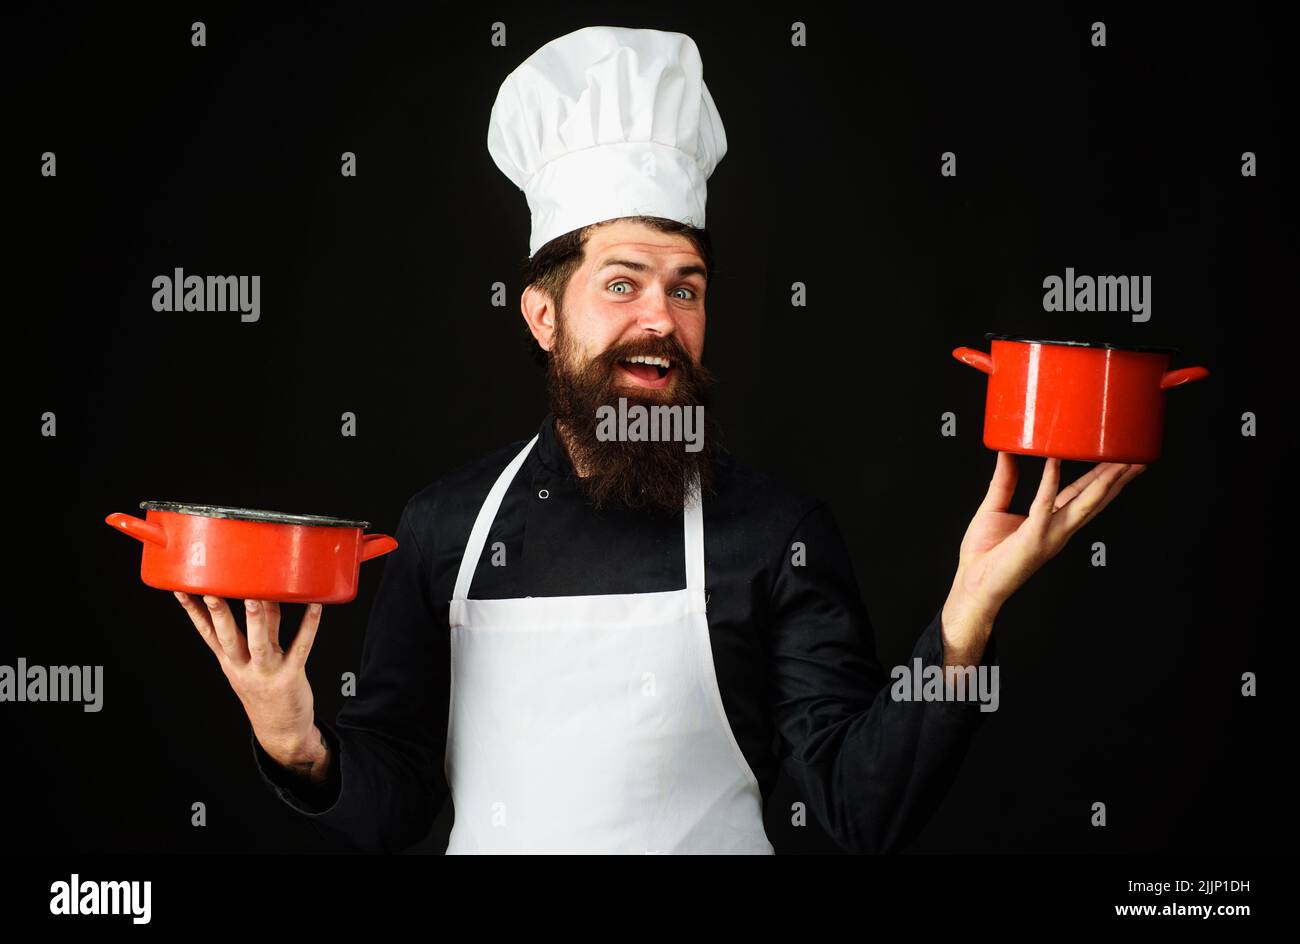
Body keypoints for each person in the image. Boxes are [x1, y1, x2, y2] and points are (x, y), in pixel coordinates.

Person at [174, 26, 1145, 854]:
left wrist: (965, 616)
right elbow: (396, 804)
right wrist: (298, 744)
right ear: (542, 316)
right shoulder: (445, 529)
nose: (660, 317)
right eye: (623, 281)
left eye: (686, 286)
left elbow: (853, 808)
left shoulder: (773, 532)